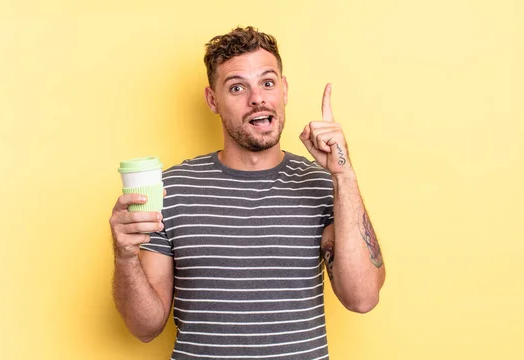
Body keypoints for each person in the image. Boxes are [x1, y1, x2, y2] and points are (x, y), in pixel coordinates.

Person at [109, 26, 385, 359]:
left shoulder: (323, 185)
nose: (257, 98)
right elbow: (145, 328)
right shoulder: (172, 190)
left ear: (283, 89)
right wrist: (125, 256)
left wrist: (343, 174)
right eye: (237, 87)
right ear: (213, 100)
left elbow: (363, 298)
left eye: (267, 83)